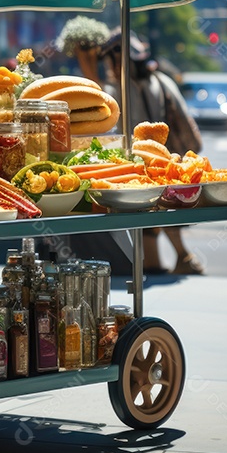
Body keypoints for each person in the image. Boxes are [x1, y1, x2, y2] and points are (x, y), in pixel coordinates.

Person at [81, 29, 206, 275]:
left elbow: (103, 109)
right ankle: (168, 261)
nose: (108, 67)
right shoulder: (162, 80)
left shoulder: (120, 89)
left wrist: (86, 65)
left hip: (142, 164)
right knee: (159, 211)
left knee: (149, 212)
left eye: (109, 61)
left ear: (120, 60)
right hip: (169, 159)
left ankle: (169, 260)